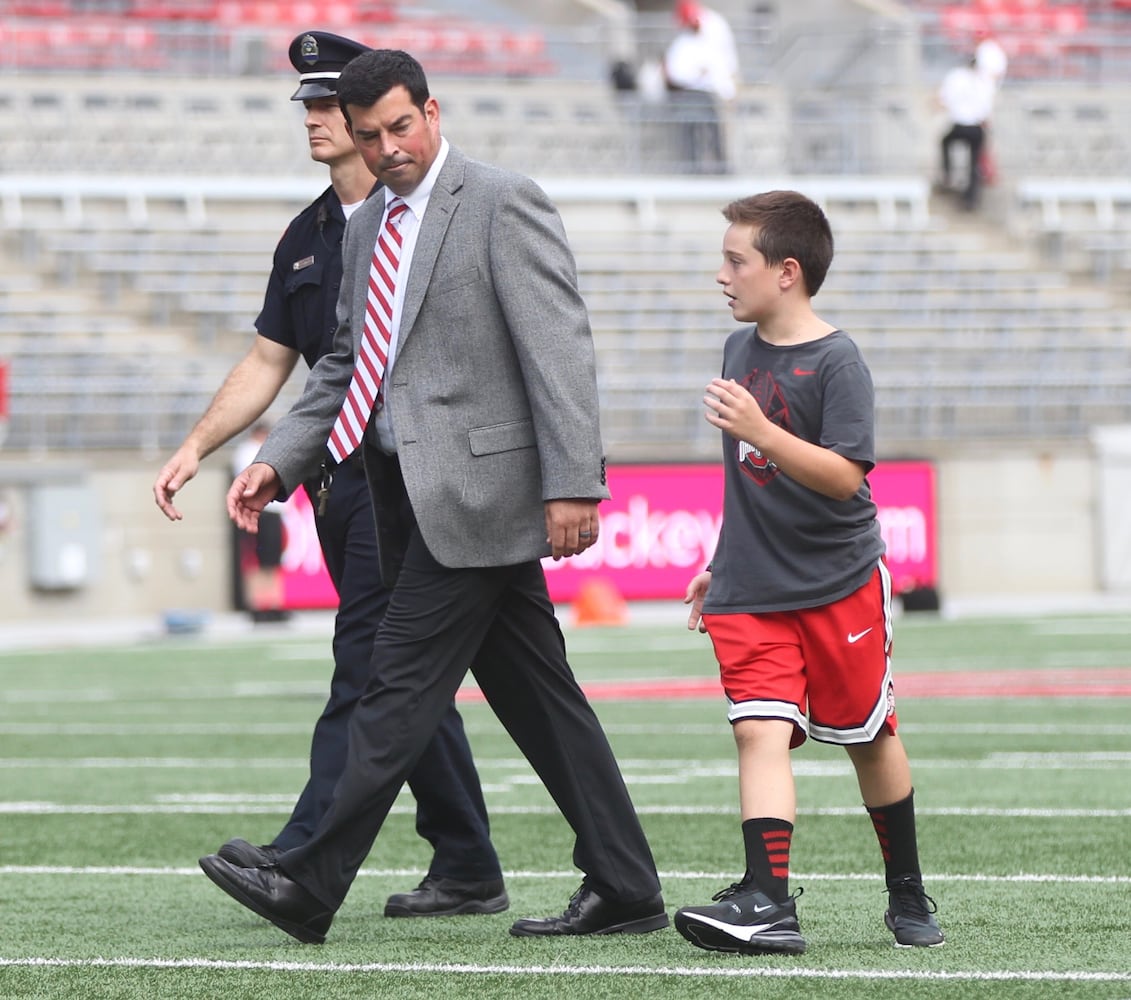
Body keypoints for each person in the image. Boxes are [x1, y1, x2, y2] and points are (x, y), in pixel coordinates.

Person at [197, 47, 667, 945]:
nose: (385, 148)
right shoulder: (369, 223)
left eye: (399, 127)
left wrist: (573, 483)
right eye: (369, 136)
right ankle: (625, 882)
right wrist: (281, 459)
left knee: (394, 684)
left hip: (485, 495)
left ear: (433, 112)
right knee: (541, 700)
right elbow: (344, 361)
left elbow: (558, 349)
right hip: (401, 496)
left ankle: (309, 880)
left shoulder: (501, 201)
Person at [153, 31, 508, 920]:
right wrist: (201, 445)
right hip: (337, 484)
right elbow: (276, 358)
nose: (315, 121)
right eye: (311, 107)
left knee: (370, 665)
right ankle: (465, 861)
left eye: (328, 107)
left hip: (416, 482)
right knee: (408, 676)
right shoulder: (311, 233)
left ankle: (301, 855)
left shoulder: (430, 217)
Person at [673, 191, 944, 955]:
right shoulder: (737, 351)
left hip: (837, 584)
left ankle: (906, 891)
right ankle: (766, 899)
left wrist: (760, 429)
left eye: (735, 260)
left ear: (785, 272)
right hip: (749, 589)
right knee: (757, 731)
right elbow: (745, 481)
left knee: (868, 735)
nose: (720, 274)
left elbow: (841, 477)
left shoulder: (836, 360)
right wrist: (718, 564)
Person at [662, 0, 739, 174]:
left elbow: (722, 67)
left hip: (708, 94)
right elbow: (675, 72)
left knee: (714, 132)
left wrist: (729, 91)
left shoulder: (713, 34)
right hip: (687, 94)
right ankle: (693, 170)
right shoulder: (682, 43)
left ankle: (722, 169)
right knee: (689, 133)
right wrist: (695, 74)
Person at [231, 420, 289, 622]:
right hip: (258, 511)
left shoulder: (260, 451)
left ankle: (273, 603)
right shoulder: (248, 451)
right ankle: (258, 604)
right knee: (256, 560)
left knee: (272, 561)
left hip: (272, 512)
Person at [937, 54, 996, 211]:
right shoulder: (984, 81)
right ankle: (971, 199)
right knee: (974, 165)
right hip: (977, 127)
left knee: (946, 142)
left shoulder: (956, 77)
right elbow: (987, 108)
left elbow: (944, 99)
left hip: (960, 125)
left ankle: (948, 174)